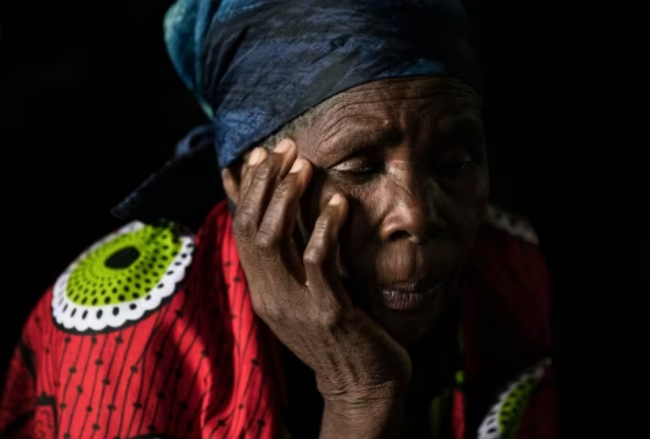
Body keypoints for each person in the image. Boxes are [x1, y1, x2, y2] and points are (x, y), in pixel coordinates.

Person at [0, 1, 556, 438]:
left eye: (455, 163)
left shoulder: (515, 278)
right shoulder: (119, 349)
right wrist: (360, 397)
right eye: (359, 167)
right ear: (246, 181)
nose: (416, 214)